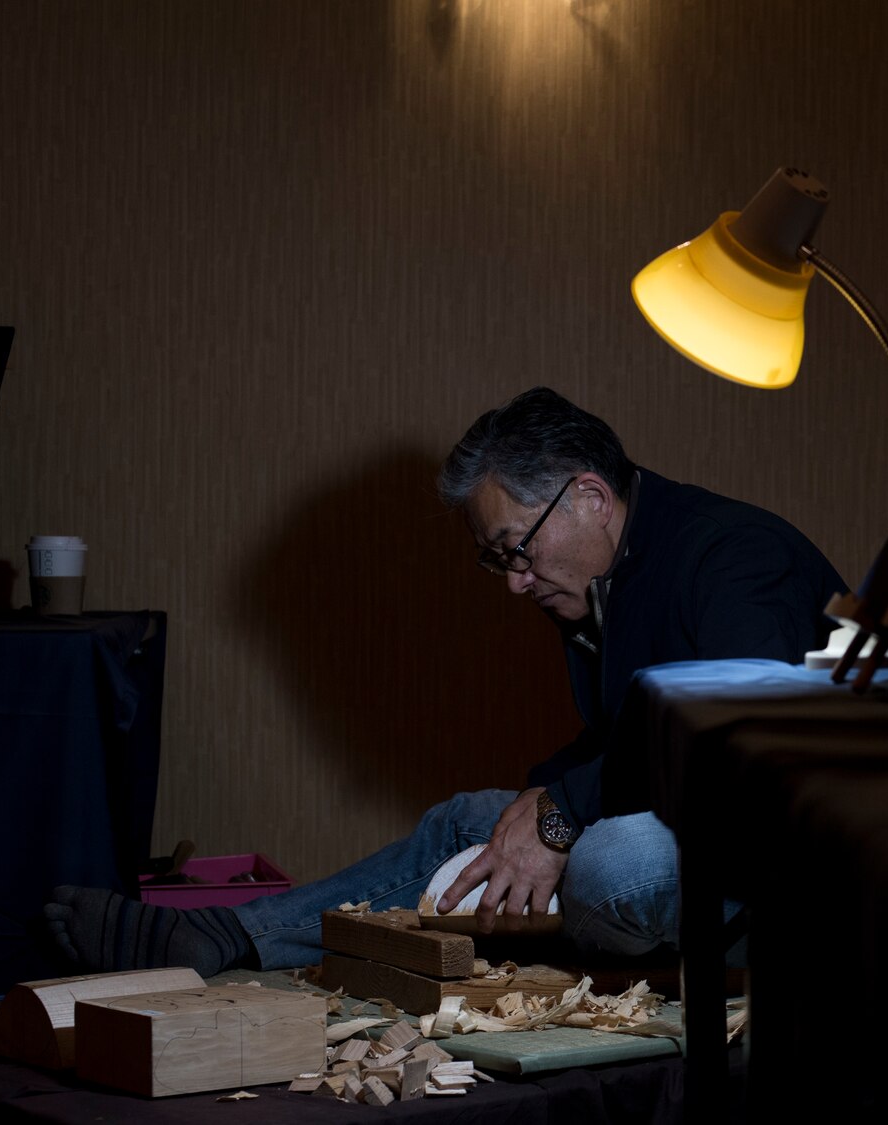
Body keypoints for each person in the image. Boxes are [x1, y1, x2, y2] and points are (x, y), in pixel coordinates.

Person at [45, 387, 846, 976]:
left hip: (784, 853)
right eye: (497, 560)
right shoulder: (608, 578)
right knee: (472, 819)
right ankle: (230, 935)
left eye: (516, 550)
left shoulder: (737, 556)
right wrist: (539, 807)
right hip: (682, 813)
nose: (514, 583)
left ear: (591, 498)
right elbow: (629, 737)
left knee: (610, 860)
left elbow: (737, 733)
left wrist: (562, 817)